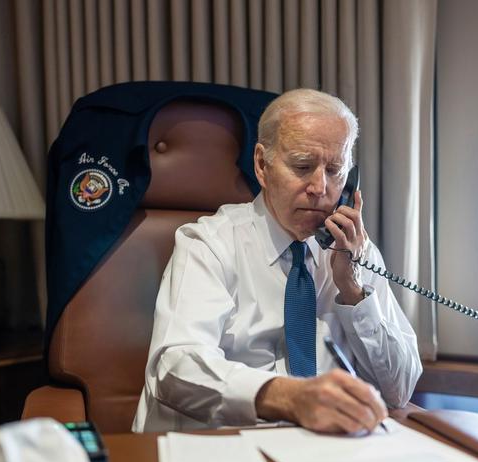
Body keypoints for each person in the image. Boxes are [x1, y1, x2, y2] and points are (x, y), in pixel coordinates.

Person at [132, 88, 422, 434]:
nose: (320, 187)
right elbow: (176, 368)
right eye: (302, 166)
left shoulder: (354, 251)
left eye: (334, 170)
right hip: (220, 445)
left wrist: (354, 290)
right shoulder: (209, 244)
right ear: (262, 165)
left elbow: (400, 389)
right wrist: (289, 398)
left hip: (321, 450)